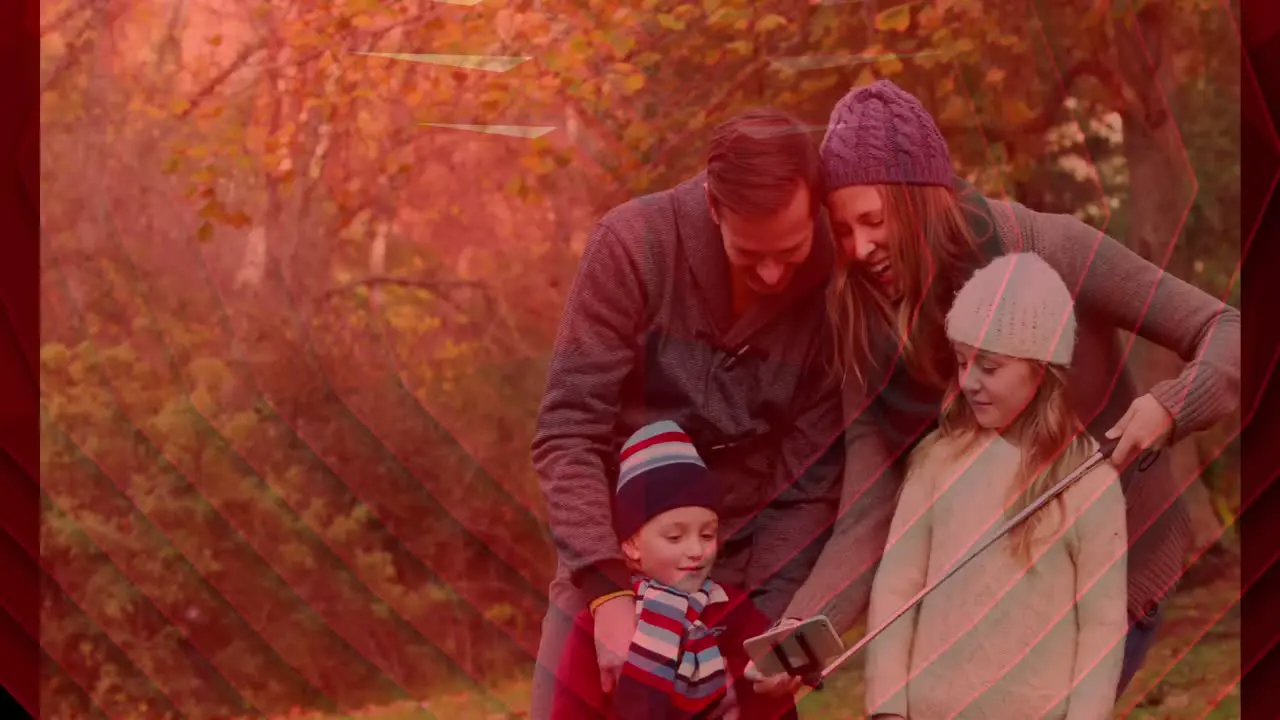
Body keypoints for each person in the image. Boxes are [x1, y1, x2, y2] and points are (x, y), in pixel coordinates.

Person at [778, 80, 1240, 695]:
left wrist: (1171, 405)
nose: (859, 247)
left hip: (1105, 570)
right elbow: (870, 501)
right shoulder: (864, 322)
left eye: (874, 220)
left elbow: (1227, 328)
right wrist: (803, 630)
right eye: (843, 230)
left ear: (924, 201)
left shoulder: (1052, 248)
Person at [529, 108, 847, 718]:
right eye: (749, 253)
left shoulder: (838, 287)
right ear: (711, 205)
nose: (775, 273)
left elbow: (807, 483)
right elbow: (568, 432)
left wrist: (770, 618)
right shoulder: (630, 248)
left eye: (792, 249)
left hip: (745, 574)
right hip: (617, 561)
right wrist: (608, 594)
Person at [864, 252, 1128, 719]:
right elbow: (896, 590)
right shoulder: (937, 462)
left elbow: (1102, 625)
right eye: (963, 363)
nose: (968, 383)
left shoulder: (1089, 481)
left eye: (989, 366)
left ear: (1041, 369)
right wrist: (888, 708)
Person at [552, 420, 800, 720]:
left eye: (707, 535)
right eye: (675, 537)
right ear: (632, 545)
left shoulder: (733, 611)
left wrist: (776, 685)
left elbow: (767, 701)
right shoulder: (597, 629)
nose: (696, 550)